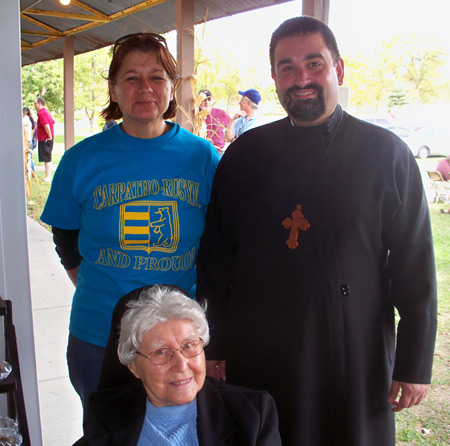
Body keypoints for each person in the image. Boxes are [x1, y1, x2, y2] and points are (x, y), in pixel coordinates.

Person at [196, 16, 437, 446]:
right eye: (286, 67)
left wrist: (414, 364)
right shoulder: (245, 155)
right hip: (261, 349)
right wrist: (214, 346)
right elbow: (216, 260)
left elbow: (415, 270)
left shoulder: (387, 156)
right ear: (273, 76)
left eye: (314, 63)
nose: (300, 78)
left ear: (338, 70)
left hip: (353, 350)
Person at [40, 33, 219, 411]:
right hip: (100, 333)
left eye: (157, 76)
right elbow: (65, 239)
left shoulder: (203, 157)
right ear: (114, 89)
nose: (145, 88)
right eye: (131, 77)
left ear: (172, 88)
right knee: (107, 432)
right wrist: (105, 290)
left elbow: (223, 239)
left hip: (177, 341)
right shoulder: (80, 161)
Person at [74, 284, 282, 445]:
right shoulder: (105, 416)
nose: (182, 365)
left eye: (189, 346)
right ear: (133, 366)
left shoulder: (252, 416)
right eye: (161, 352)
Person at [198, 89, 231, 156]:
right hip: (200, 151)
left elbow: (232, 128)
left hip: (217, 152)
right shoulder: (194, 115)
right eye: (204, 99)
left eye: (209, 99)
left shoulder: (221, 113)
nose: (206, 102)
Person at [34, 96, 55, 182]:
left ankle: (48, 176)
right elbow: (52, 122)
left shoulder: (41, 113)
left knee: (47, 158)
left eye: (35, 103)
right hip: (46, 139)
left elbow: (46, 125)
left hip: (45, 139)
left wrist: (49, 136)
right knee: (47, 157)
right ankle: (48, 175)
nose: (34, 105)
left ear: (39, 104)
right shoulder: (46, 112)